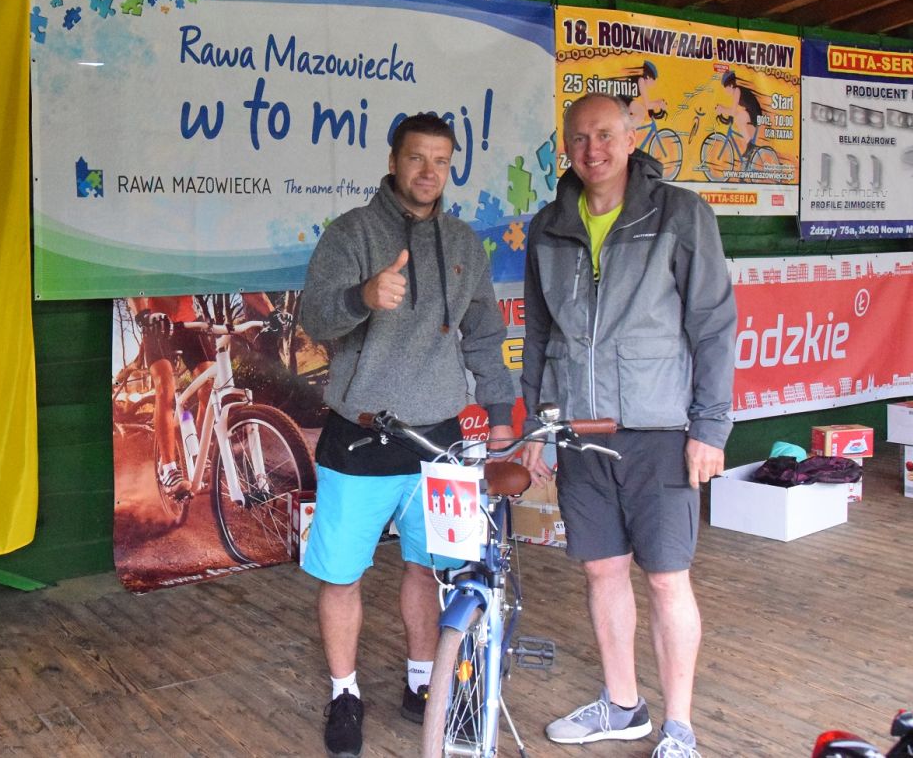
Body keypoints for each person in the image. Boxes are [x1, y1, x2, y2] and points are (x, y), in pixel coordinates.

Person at [521, 94, 735, 758]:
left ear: (631, 136)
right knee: (602, 572)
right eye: (580, 138)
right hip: (581, 431)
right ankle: (622, 705)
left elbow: (713, 325)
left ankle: (679, 728)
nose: (594, 150)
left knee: (667, 577)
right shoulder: (549, 225)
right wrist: (539, 424)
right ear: (566, 146)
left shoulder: (679, 214)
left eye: (606, 134)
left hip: (659, 428)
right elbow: (540, 334)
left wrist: (710, 427)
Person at [298, 112, 516, 758]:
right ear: (394, 162)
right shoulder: (351, 233)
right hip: (361, 436)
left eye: (441, 160)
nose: (429, 171)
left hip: (440, 441)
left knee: (429, 569)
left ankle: (424, 681)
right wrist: (362, 295)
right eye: (417, 157)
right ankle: (344, 693)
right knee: (342, 574)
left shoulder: (463, 242)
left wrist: (500, 412)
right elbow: (314, 317)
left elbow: (484, 333)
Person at [129, 293, 290, 499]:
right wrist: (143, 315)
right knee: (165, 387)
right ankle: (167, 467)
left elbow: (244, 284)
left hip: (191, 324)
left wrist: (272, 313)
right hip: (156, 324)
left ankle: (198, 456)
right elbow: (136, 285)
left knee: (210, 385)